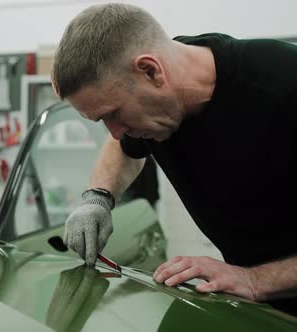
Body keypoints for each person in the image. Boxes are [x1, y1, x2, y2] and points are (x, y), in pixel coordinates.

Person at [52, 3, 297, 315]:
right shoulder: (152, 102)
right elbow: (123, 147)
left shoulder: (284, 88)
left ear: (151, 70)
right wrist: (97, 197)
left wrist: (254, 280)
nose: (115, 132)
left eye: (114, 114)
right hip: (260, 307)